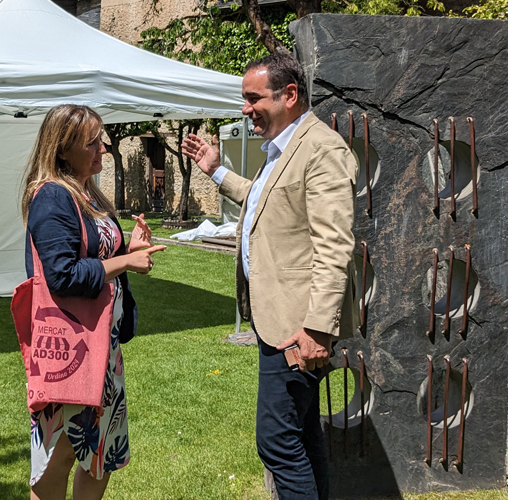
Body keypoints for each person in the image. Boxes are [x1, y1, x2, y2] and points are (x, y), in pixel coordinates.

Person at [182, 52, 359, 499]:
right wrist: (216, 171)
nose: (245, 109)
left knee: (277, 441)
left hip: (297, 328)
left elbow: (335, 245)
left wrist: (317, 327)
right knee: (303, 435)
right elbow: (267, 202)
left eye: (253, 98)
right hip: (279, 321)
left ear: (290, 95)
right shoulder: (284, 148)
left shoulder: (321, 149)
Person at [20, 104, 165, 500]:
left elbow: (96, 256)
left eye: (101, 139)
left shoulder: (88, 193)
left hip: (102, 346)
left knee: (102, 450)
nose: (103, 148)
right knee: (61, 454)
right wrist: (125, 262)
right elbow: (61, 275)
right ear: (63, 149)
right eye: (92, 142)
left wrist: (128, 249)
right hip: (70, 349)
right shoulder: (52, 196)